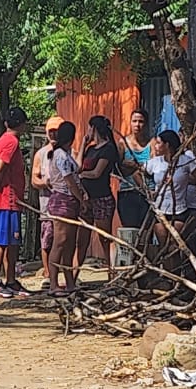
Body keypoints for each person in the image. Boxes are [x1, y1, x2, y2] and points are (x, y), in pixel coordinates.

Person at [0, 105, 30, 298]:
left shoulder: (4, 139)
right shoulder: (10, 142)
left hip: (12, 199)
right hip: (6, 199)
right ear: (22, 125)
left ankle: (10, 281)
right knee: (1, 242)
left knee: (12, 242)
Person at [144, 130, 196, 267]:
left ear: (167, 145)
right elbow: (138, 171)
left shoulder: (185, 161)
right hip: (160, 209)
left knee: (175, 246)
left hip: (179, 209)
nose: (156, 146)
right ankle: (168, 276)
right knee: (164, 246)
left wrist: (188, 181)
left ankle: (178, 276)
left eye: (158, 143)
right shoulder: (155, 162)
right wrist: (147, 189)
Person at [75, 115, 119, 281]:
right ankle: (74, 274)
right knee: (82, 238)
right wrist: (83, 145)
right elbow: (78, 166)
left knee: (104, 237)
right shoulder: (91, 148)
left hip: (101, 197)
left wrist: (79, 176)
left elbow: (96, 173)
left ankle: (110, 272)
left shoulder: (108, 149)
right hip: (87, 199)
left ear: (94, 128)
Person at [44, 121, 85, 296]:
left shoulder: (65, 155)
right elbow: (69, 180)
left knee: (69, 243)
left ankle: (69, 282)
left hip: (70, 202)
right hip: (63, 201)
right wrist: (81, 199)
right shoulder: (59, 155)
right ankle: (53, 283)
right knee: (59, 242)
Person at [31, 116, 64, 282]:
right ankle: (47, 271)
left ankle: (65, 272)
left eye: (57, 131)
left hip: (66, 206)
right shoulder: (40, 154)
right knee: (47, 239)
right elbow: (34, 179)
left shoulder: (70, 152)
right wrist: (45, 182)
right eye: (51, 131)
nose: (54, 134)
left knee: (65, 239)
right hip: (47, 205)